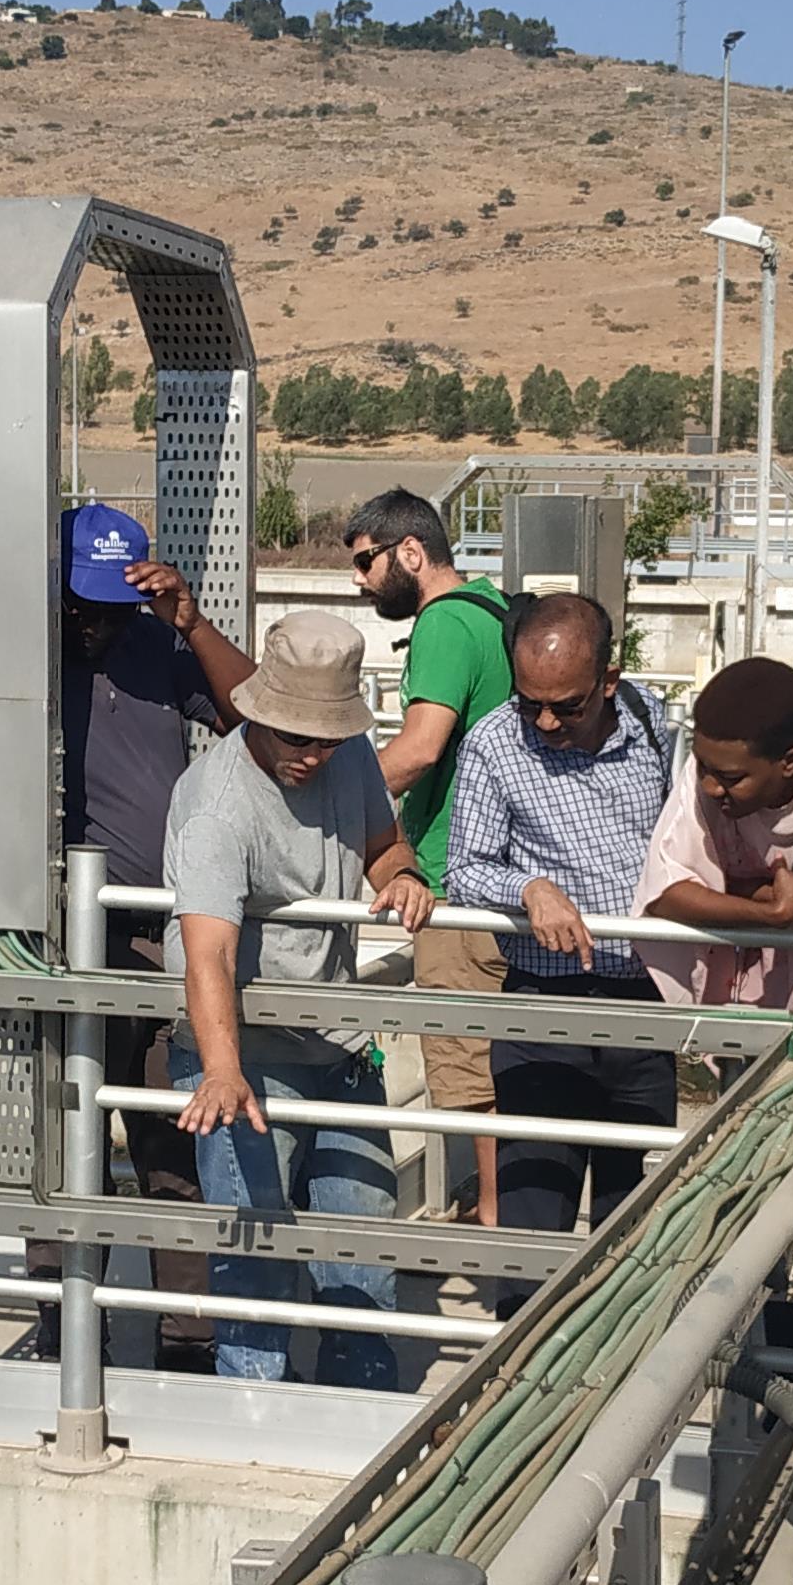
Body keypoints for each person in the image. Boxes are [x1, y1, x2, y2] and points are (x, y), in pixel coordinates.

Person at [0, 501, 252, 1374]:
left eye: (113, 604)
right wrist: (2, 856)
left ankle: (188, 1335)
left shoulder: (161, 647)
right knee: (57, 1141)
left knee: (169, 1138)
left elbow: (262, 724)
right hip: (53, 943)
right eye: (82, 604)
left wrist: (191, 623)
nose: (97, 623)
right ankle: (62, 1327)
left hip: (156, 938)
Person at [166, 610, 433, 1388]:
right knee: (255, 1266)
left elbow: (384, 846)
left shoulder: (349, 759)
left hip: (341, 1048)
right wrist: (222, 1070)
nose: (313, 754)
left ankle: (365, 1420)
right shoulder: (217, 806)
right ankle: (254, 1428)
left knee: (364, 1257)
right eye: (296, 737)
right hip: (246, 1062)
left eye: (327, 736)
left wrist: (404, 879)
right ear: (255, 712)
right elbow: (207, 950)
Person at [447, 594, 675, 1251]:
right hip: (544, 1014)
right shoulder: (493, 741)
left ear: (609, 680)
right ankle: (521, 1357)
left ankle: (626, 1357)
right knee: (532, 1229)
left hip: (642, 1008)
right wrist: (529, 887)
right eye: (529, 702)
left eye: (567, 706)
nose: (544, 721)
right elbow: (465, 871)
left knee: (631, 1231)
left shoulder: (650, 720)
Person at [343, 488, 512, 1222]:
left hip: (454, 876)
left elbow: (417, 752)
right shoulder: (497, 613)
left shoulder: (443, 624)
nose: (359, 579)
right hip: (506, 875)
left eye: (365, 561)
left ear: (411, 552)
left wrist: (327, 796)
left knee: (470, 1077)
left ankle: (496, 1229)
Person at [632, 657, 793, 1009]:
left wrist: (727, 891)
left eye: (730, 779)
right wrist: (775, 911)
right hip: (737, 1010)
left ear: (791, 761)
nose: (710, 787)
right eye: (701, 767)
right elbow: (663, 895)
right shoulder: (717, 761)